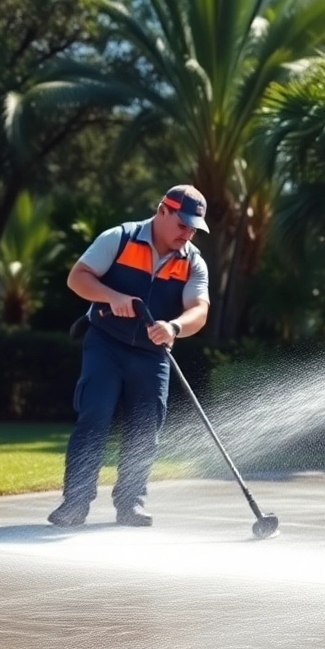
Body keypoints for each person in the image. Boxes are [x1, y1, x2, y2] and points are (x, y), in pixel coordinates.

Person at [48, 185, 211, 527]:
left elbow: (199, 309)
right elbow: (77, 278)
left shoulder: (193, 262)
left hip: (153, 354)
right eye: (182, 224)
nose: (188, 233)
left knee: (145, 429)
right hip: (106, 344)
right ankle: (75, 504)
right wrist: (111, 297)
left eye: (193, 227)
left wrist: (175, 328)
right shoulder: (119, 238)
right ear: (162, 211)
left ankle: (130, 504)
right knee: (94, 417)